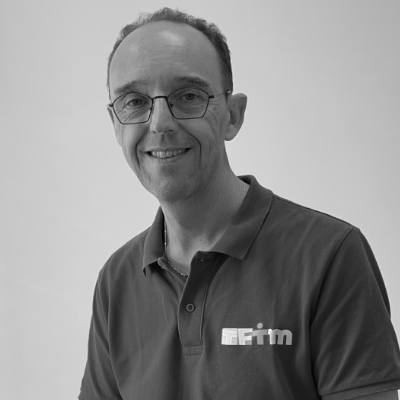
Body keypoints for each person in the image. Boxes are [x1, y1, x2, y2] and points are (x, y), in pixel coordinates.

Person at [79, 8, 400, 400]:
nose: (160, 122)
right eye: (133, 101)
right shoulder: (117, 280)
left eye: (188, 96)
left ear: (233, 116)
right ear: (116, 125)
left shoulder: (329, 255)